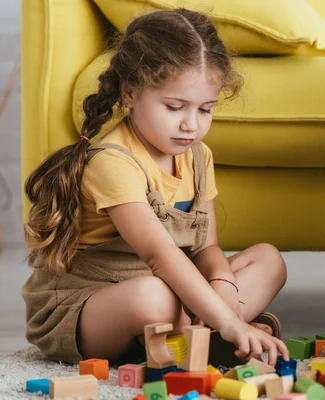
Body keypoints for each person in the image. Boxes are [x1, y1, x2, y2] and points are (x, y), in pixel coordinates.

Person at [21, 8, 289, 366]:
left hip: (173, 285)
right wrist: (227, 316)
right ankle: (218, 331)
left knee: (268, 260)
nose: (190, 125)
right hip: (92, 303)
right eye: (175, 107)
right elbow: (160, 257)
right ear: (130, 93)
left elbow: (207, 247)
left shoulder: (197, 156)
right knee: (154, 298)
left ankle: (197, 335)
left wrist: (224, 284)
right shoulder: (113, 162)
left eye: (205, 110)